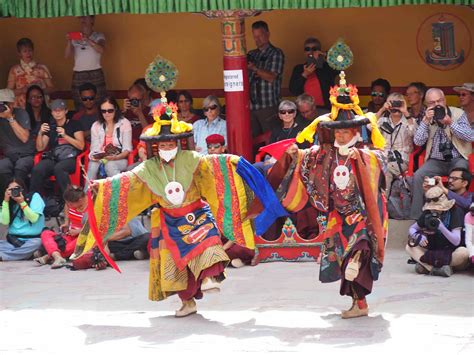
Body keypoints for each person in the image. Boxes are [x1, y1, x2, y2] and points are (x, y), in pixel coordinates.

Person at [71, 99, 286, 317]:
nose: (166, 148)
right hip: (169, 220)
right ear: (156, 146)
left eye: (170, 144)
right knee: (175, 264)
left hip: (196, 213)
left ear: (178, 144)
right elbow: (126, 180)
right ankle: (188, 302)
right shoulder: (150, 167)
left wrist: (231, 160)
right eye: (162, 145)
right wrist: (101, 185)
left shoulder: (192, 159)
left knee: (209, 242)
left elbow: (213, 165)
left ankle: (211, 277)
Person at [267, 72, 388, 319]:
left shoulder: (364, 152)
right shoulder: (325, 154)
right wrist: (294, 153)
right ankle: (360, 304)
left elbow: (381, 161)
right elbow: (305, 158)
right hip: (337, 214)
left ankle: (356, 262)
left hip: (360, 213)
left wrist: (363, 159)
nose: (341, 136)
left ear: (355, 131)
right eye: (338, 132)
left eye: (346, 132)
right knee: (345, 264)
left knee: (361, 247)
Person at [410, 88, 473, 220]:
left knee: (461, 174)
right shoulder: (427, 116)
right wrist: (426, 121)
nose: (437, 105)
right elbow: (418, 141)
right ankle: (417, 218)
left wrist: (450, 123)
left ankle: (460, 213)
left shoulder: (458, 113)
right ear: (427, 105)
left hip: (457, 158)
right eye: (432, 102)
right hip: (435, 161)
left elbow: (469, 136)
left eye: (439, 101)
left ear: (444, 100)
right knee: (418, 176)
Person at [406, 186, 469, 276]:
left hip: (451, 250)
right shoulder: (428, 212)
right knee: (409, 247)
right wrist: (418, 236)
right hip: (433, 250)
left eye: (438, 209)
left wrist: (442, 227)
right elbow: (412, 229)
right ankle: (435, 269)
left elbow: (456, 241)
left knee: (463, 252)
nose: (434, 211)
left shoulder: (455, 212)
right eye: (432, 209)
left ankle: (427, 267)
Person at [30, 99, 85, 195]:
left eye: (60, 110)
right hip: (54, 157)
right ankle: (35, 201)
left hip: (71, 158)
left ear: (66, 111)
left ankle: (69, 201)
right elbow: (40, 148)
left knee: (59, 168)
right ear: (51, 112)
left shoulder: (74, 124)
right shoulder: (50, 127)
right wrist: (40, 133)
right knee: (37, 169)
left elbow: (81, 146)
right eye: (55, 110)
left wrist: (65, 136)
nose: (58, 112)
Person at [34, 185, 86, 268]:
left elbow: (95, 228)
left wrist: (78, 231)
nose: (68, 205)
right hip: (69, 235)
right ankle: (57, 257)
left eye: (70, 204)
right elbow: (66, 206)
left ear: (80, 200)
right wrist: (66, 222)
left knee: (75, 244)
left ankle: (49, 256)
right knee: (46, 233)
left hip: (83, 236)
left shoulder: (91, 207)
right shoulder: (70, 204)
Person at [248, 21, 285, 137]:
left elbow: (271, 77)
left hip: (268, 106)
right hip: (251, 106)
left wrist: (254, 68)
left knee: (271, 139)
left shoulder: (276, 53)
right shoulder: (252, 54)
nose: (257, 40)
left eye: (260, 36)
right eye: (255, 37)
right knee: (252, 142)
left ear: (268, 34)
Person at [376, 93, 417, 195]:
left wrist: (405, 112)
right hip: (383, 157)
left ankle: (382, 202)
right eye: (392, 103)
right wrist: (382, 109)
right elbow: (368, 126)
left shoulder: (409, 120)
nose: (395, 107)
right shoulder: (382, 120)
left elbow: (415, 134)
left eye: (398, 104)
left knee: (386, 170)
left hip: (401, 159)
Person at [65, 15, 106, 109]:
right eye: (81, 17)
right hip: (79, 74)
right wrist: (69, 41)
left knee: (98, 101)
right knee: (79, 102)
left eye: (85, 17)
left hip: (95, 72)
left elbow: (101, 49)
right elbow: (67, 56)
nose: (82, 19)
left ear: (92, 19)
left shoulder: (98, 35)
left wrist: (87, 40)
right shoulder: (75, 37)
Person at [0, 88, 36, 196]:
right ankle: (6, 201)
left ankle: (22, 200)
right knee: (2, 166)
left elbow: (24, 137)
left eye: (5, 104)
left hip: (26, 155)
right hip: (8, 156)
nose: (3, 107)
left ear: (12, 103)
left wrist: (10, 118)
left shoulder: (21, 113)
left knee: (21, 166)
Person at [87, 96, 132, 180]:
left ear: (115, 109)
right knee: (92, 165)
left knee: (110, 165)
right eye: (103, 111)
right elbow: (94, 149)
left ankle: (120, 191)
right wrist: (96, 156)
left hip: (120, 158)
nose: (107, 113)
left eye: (110, 110)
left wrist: (115, 157)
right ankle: (88, 192)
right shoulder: (96, 125)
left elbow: (127, 149)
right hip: (102, 158)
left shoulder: (124, 123)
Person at [0, 178, 45, 261]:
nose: (14, 191)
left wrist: (22, 202)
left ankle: (5, 256)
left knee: (37, 243)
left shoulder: (34, 197)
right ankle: (27, 254)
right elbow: (5, 222)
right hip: (14, 241)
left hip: (33, 240)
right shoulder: (7, 203)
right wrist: (6, 201)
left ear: (23, 189)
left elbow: (34, 218)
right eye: (11, 189)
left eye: (17, 188)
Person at [289, 37, 338, 110]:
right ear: (304, 52)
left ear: (319, 51)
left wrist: (325, 54)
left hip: (325, 109)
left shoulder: (327, 67)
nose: (311, 52)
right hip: (305, 111)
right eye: (307, 49)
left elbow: (341, 61)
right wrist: (305, 74)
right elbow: (293, 90)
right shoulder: (298, 68)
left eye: (314, 49)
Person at [7, 38, 54, 109]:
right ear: (19, 53)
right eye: (25, 51)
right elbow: (8, 92)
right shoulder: (14, 70)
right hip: (21, 106)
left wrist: (38, 91)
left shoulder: (42, 68)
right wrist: (22, 90)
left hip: (40, 105)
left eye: (30, 50)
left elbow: (51, 88)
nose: (28, 53)